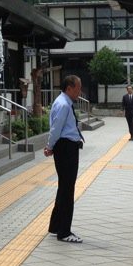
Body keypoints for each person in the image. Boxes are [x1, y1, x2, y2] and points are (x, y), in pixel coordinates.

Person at [44, 74, 85, 243]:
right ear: (69, 88)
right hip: (66, 148)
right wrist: (50, 146)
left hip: (66, 146)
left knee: (64, 187)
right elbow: (56, 128)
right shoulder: (63, 105)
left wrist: (52, 145)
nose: (79, 91)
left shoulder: (64, 102)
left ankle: (55, 226)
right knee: (67, 190)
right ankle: (64, 231)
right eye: (78, 88)